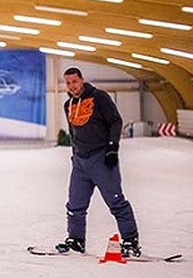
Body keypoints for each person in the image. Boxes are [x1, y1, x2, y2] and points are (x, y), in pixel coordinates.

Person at [57, 67, 140, 256]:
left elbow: (115, 121)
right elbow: (73, 132)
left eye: (75, 82)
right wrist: (74, 154)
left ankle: (130, 242)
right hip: (80, 162)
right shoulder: (68, 104)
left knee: (116, 202)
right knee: (75, 204)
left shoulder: (99, 97)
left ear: (82, 80)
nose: (72, 86)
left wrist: (112, 148)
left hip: (101, 158)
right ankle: (76, 240)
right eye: (68, 83)